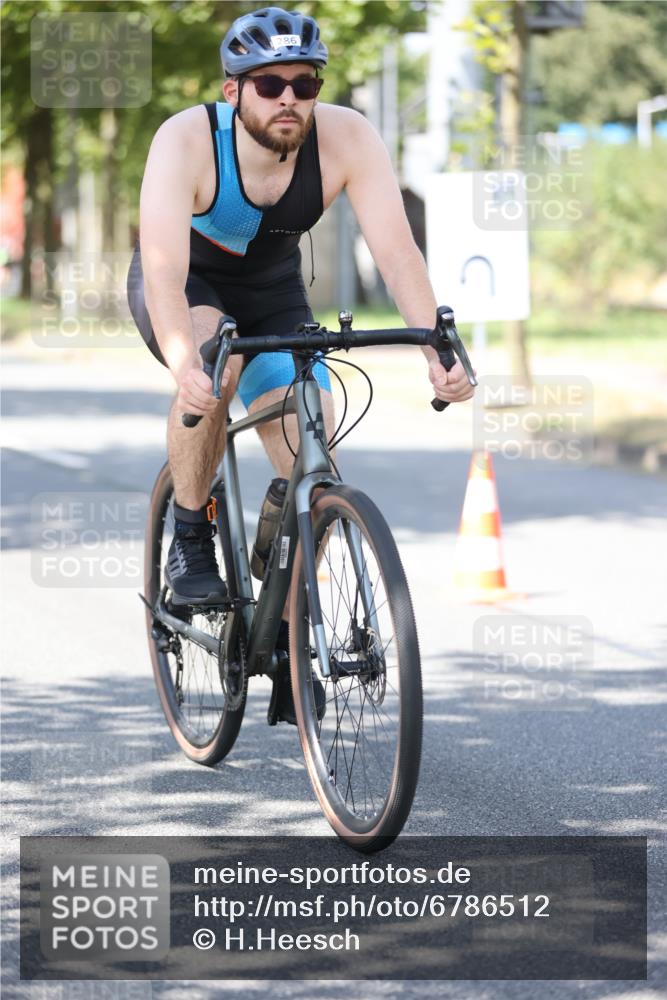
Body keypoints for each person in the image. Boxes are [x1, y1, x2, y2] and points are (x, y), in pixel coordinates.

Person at [127, 6, 475, 724]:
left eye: (304, 82)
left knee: (313, 455)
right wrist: (182, 359)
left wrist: (434, 348)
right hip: (188, 287)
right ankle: (191, 538)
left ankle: (285, 621)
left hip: (276, 294)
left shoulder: (346, 137)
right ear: (234, 92)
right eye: (269, 83)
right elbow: (162, 268)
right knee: (216, 370)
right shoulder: (186, 139)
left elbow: (396, 250)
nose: (289, 97)